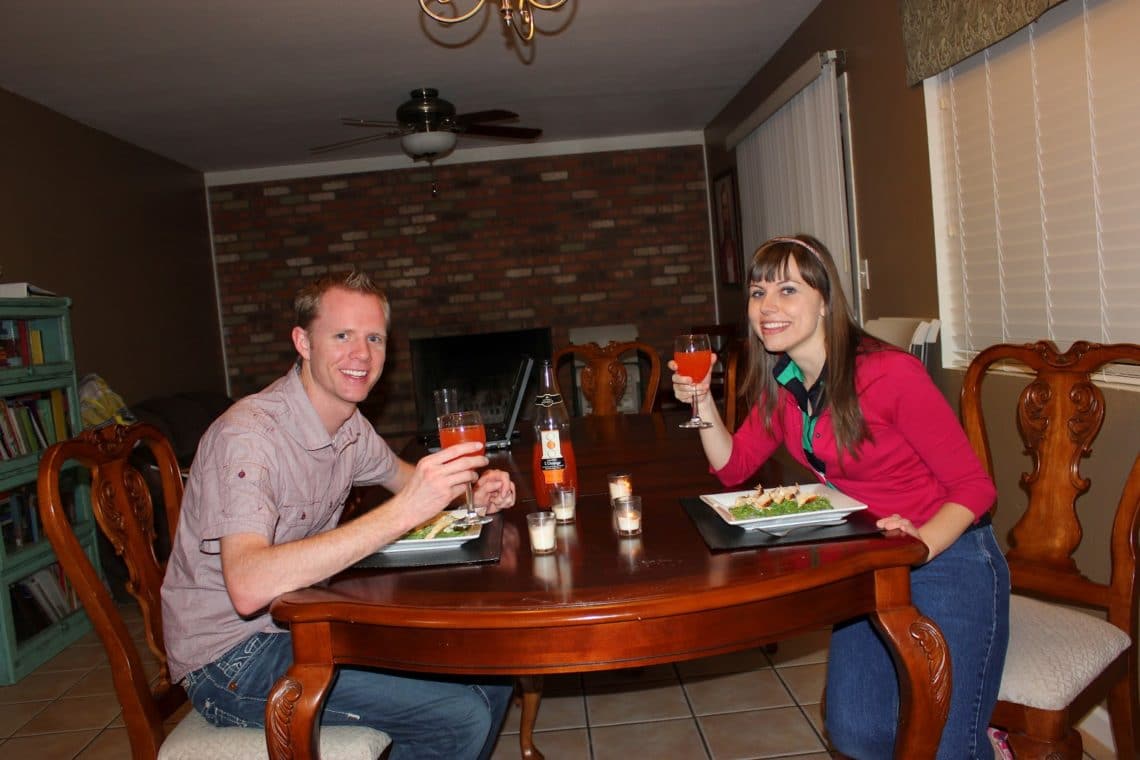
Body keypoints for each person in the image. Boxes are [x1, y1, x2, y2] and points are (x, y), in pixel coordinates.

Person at [671, 234, 1010, 759]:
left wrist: (920, 544)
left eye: (787, 289)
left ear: (825, 299)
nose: (768, 307)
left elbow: (976, 487)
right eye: (758, 293)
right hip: (871, 560)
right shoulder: (782, 382)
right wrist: (701, 402)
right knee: (855, 731)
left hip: (950, 555)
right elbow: (732, 466)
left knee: (949, 744)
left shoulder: (890, 374)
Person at [161, 270, 516, 760]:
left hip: (302, 622)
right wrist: (404, 511)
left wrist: (471, 493)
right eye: (343, 335)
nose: (362, 355)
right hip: (230, 659)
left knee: (493, 668)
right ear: (303, 342)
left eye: (374, 338)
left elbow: (404, 478)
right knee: (460, 714)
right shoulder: (248, 438)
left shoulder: (349, 426)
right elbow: (246, 585)